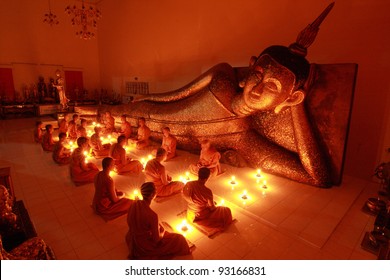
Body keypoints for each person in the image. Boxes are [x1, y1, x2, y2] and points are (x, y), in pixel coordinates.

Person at [125, 182, 191, 259]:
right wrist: (162, 232)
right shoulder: (152, 215)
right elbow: (156, 240)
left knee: (160, 226)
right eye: (155, 191)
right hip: (145, 246)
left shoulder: (134, 204)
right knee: (179, 239)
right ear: (152, 195)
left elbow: (130, 221)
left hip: (132, 238)